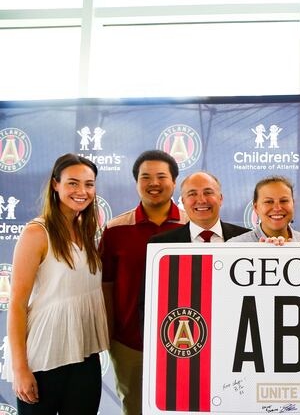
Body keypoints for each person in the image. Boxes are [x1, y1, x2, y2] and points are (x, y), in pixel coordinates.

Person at [5, 154, 109, 413]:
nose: (82, 191)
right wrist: (20, 369)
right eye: (73, 183)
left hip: (85, 355)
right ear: (55, 184)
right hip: (44, 357)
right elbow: (17, 304)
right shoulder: (36, 233)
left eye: (89, 184)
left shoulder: (85, 230)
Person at [100, 150, 187, 415]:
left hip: (186, 340)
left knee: (184, 405)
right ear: (136, 182)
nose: (154, 183)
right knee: (134, 406)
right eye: (145, 177)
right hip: (129, 342)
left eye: (161, 176)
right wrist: (110, 335)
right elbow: (106, 287)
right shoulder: (116, 229)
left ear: (174, 181)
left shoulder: (192, 226)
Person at [149, 171, 248, 244]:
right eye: (192, 194)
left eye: (208, 192)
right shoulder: (161, 243)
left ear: (220, 198)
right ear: (183, 201)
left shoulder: (248, 239)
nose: (201, 200)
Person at [229, 175, 300, 243]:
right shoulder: (234, 246)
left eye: (284, 201)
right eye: (269, 202)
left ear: (293, 204)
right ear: (256, 208)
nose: (277, 208)